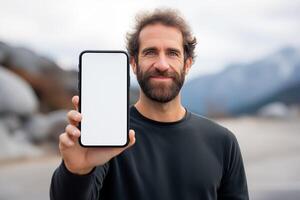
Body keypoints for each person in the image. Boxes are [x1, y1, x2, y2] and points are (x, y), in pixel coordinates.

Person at [50, 8, 249, 200]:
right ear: (134, 64)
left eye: (172, 53)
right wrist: (77, 171)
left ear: (187, 64)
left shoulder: (223, 142)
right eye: (151, 52)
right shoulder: (111, 136)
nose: (162, 64)